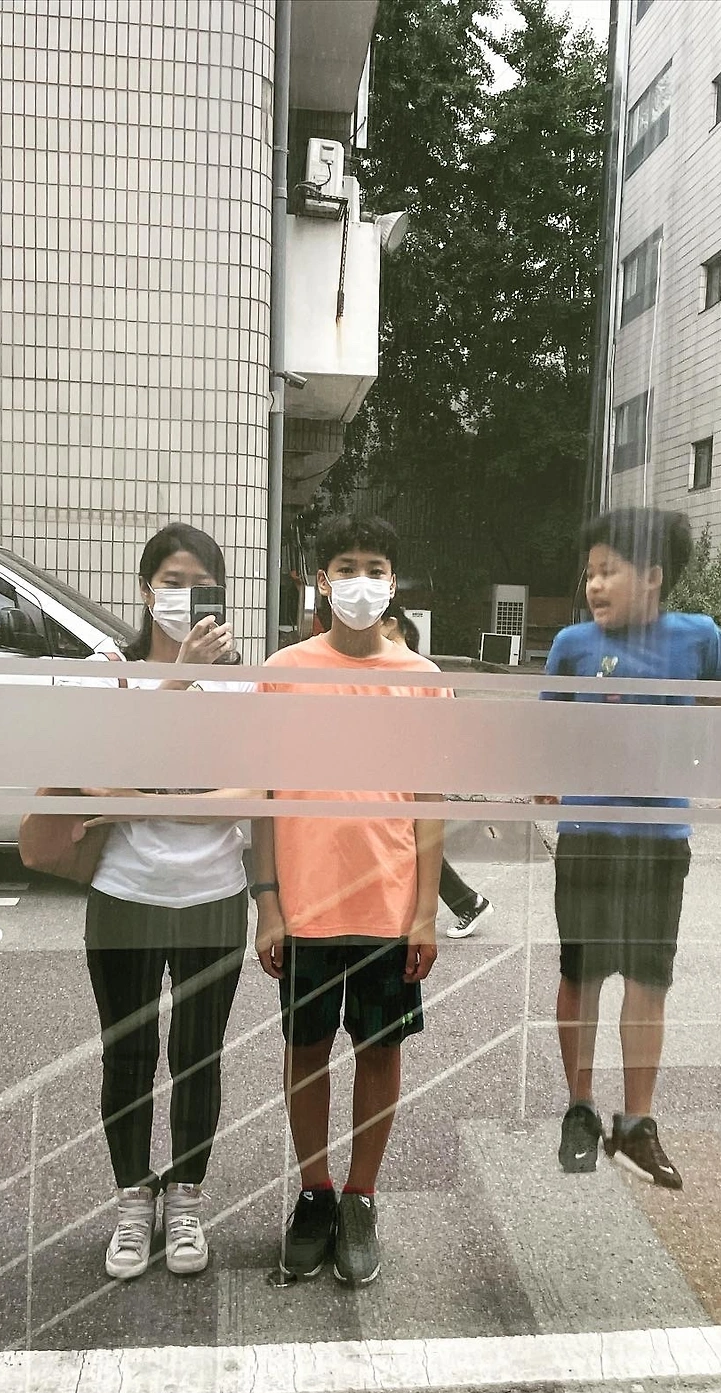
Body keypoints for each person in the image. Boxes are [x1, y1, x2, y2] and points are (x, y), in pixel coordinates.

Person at [252, 514, 446, 1287]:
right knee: (305, 1052)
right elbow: (264, 798)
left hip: (387, 908)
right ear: (320, 580)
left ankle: (361, 1196)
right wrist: (268, 903)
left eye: (375, 567)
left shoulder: (422, 679)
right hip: (305, 909)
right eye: (345, 566)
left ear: (393, 583)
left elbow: (430, 804)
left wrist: (425, 910)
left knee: (379, 1052)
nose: (360, 581)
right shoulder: (283, 671)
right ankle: (315, 1192)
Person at [541, 507, 721, 1189]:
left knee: (648, 981)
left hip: (660, 841)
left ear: (653, 576)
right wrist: (542, 776)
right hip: (588, 838)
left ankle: (636, 1126)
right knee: (581, 976)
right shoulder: (572, 644)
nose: (594, 585)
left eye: (609, 571)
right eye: (589, 573)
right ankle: (579, 1110)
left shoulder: (700, 637)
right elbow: (546, 726)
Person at [83, 522, 253, 1281]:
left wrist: (147, 797)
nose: (185, 597)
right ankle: (132, 1201)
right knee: (128, 1055)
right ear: (145, 588)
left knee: (197, 1056)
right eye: (172, 583)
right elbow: (98, 785)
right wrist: (179, 679)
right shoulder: (109, 672)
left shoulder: (240, 686)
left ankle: (185, 1199)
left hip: (215, 893)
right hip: (125, 893)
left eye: (201, 586)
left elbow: (251, 796)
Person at [380, 605, 494, 939]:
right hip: (404, 773)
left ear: (392, 624)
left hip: (408, 774)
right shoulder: (411, 667)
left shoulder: (412, 669)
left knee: (414, 844)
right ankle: (468, 902)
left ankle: (468, 903)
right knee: (415, 844)